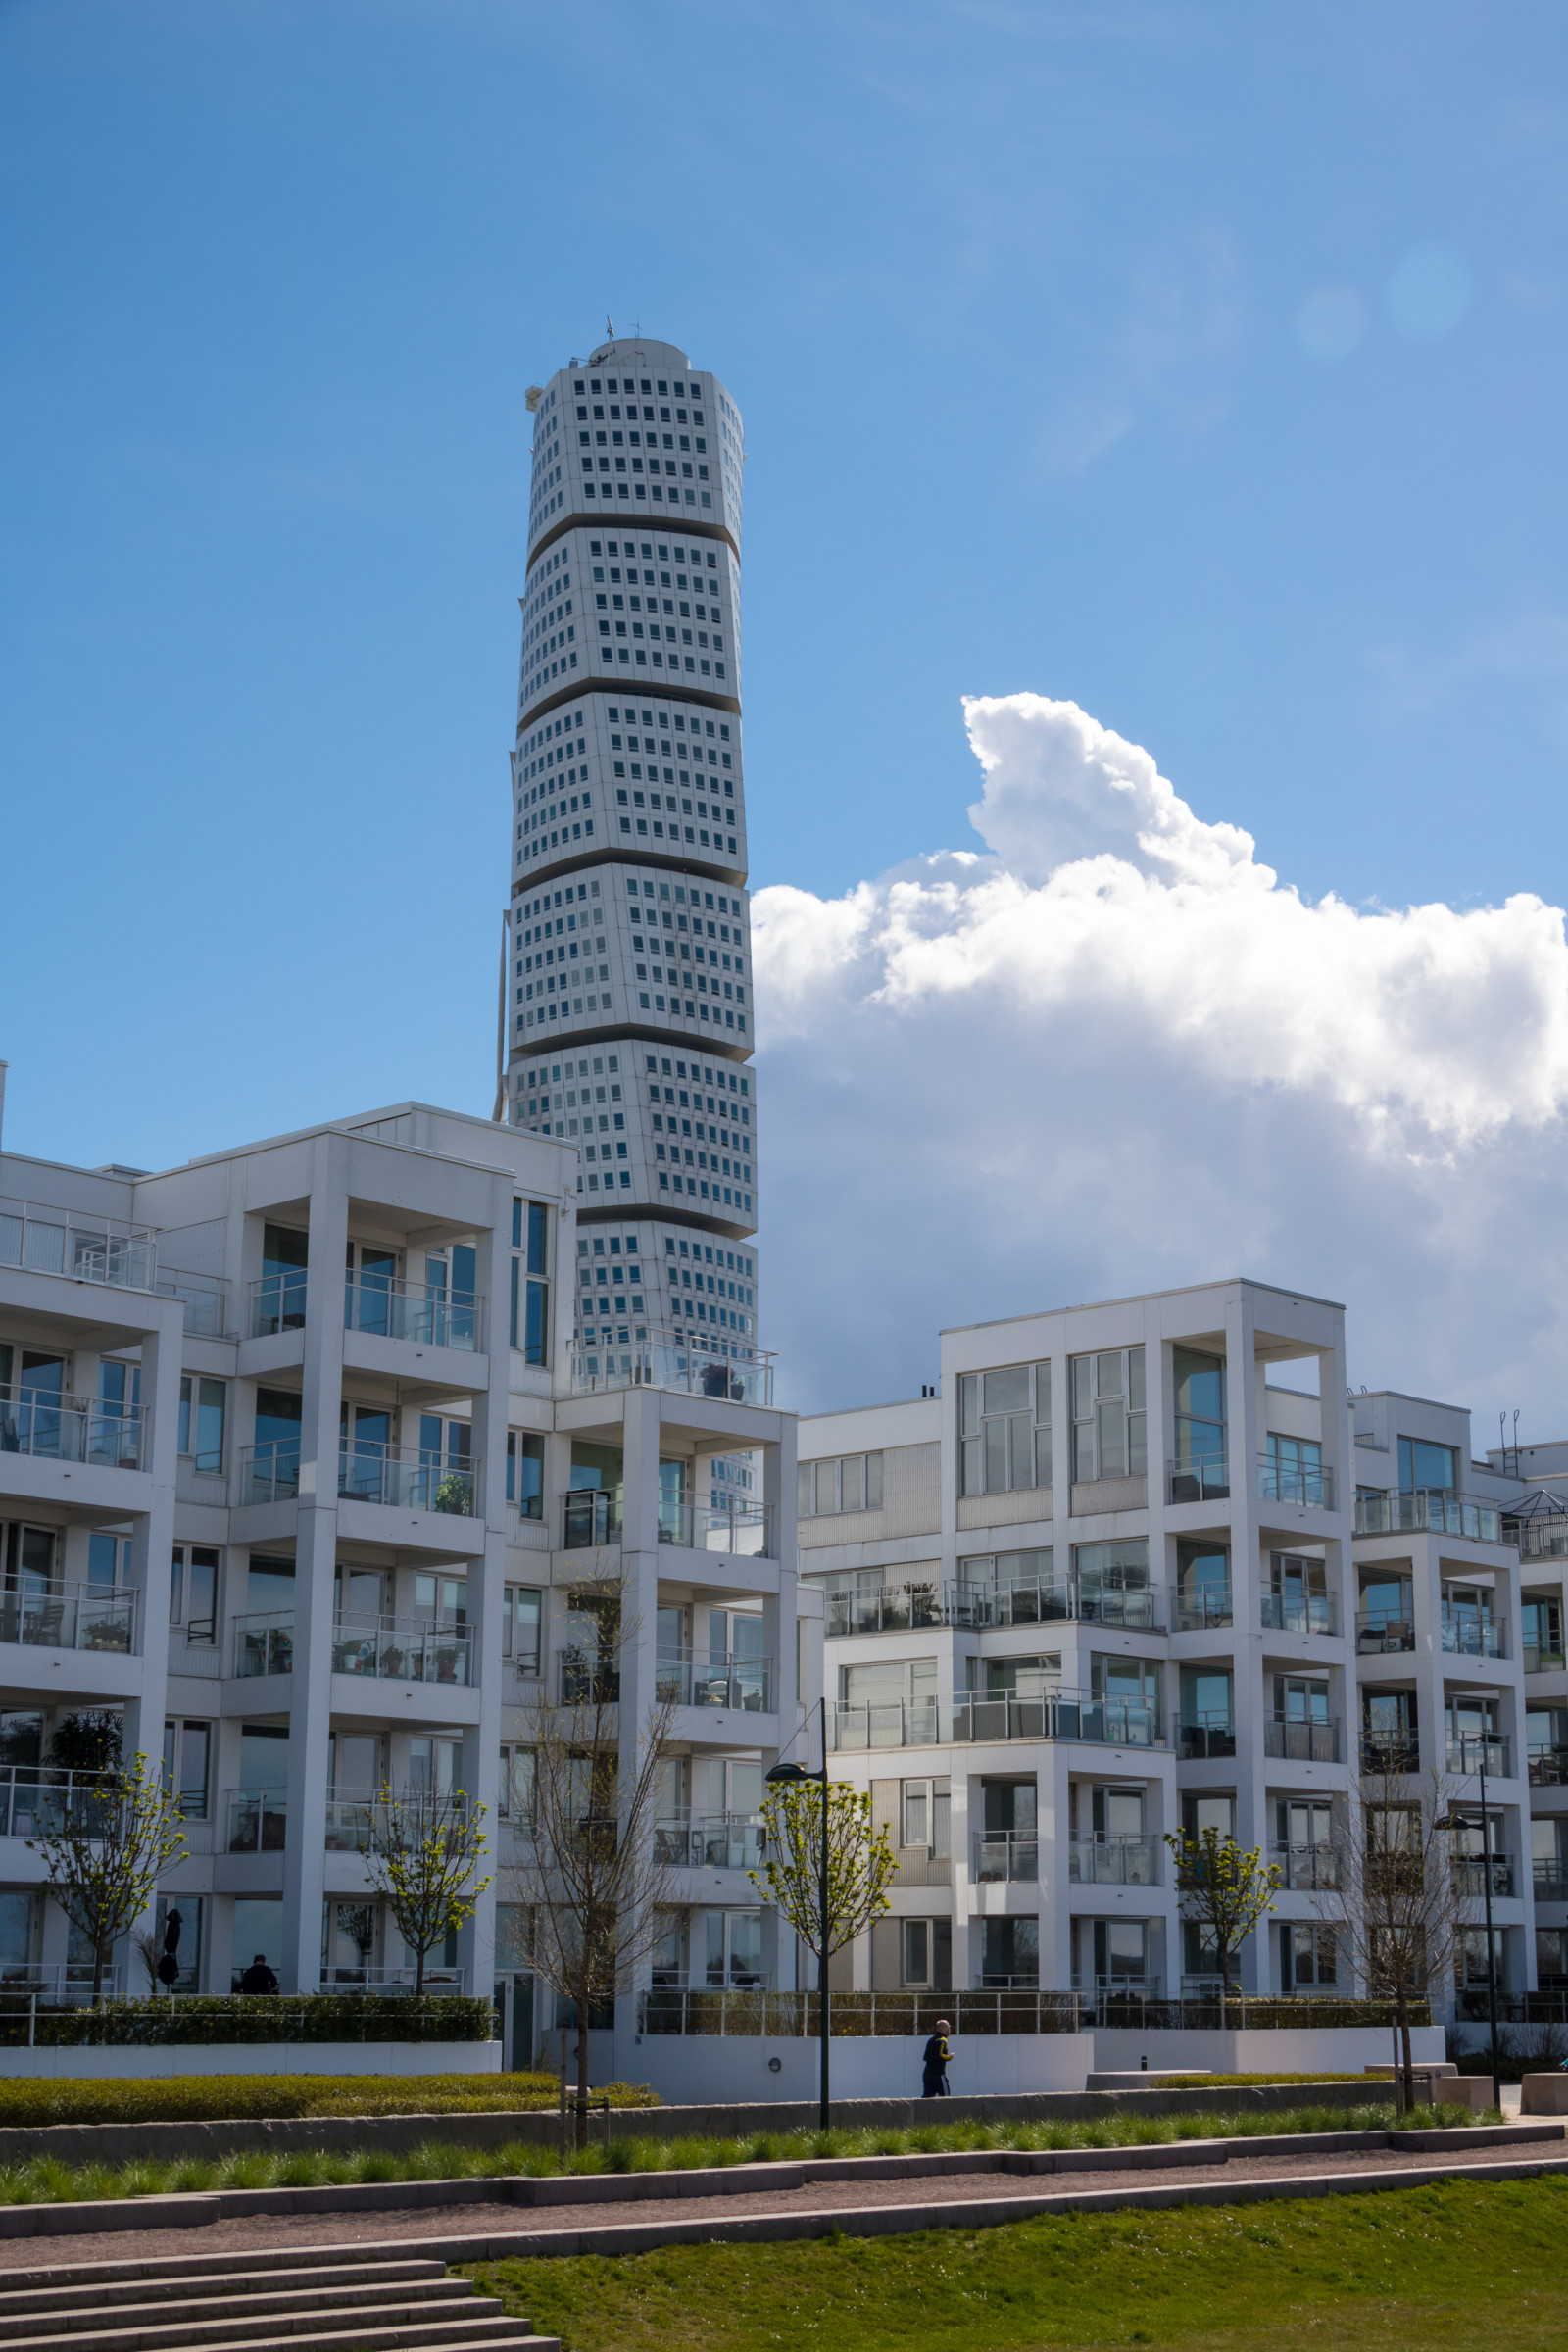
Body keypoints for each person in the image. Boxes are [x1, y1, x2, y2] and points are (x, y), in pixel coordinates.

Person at [921, 2018, 952, 2097]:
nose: (949, 2029)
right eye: (949, 2027)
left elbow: (926, 2057)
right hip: (938, 2074)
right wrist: (949, 2057)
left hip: (927, 2074)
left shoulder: (930, 2040)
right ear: (944, 2028)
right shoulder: (942, 2040)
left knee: (926, 2100)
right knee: (946, 2099)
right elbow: (939, 2055)